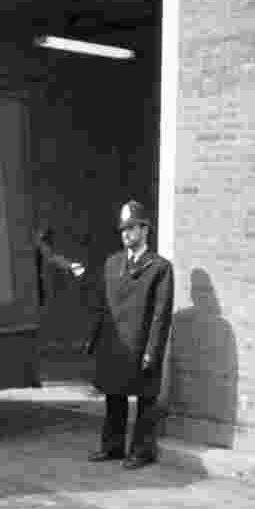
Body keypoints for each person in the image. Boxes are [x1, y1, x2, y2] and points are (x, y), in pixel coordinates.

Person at [85, 200, 174, 469]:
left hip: (141, 345)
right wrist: (94, 338)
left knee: (145, 399)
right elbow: (102, 305)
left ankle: (141, 451)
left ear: (145, 230)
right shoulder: (112, 264)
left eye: (132, 228)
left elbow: (161, 315)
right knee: (114, 396)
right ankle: (112, 447)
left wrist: (152, 350)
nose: (126, 234)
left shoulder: (159, 268)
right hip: (115, 344)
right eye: (123, 229)